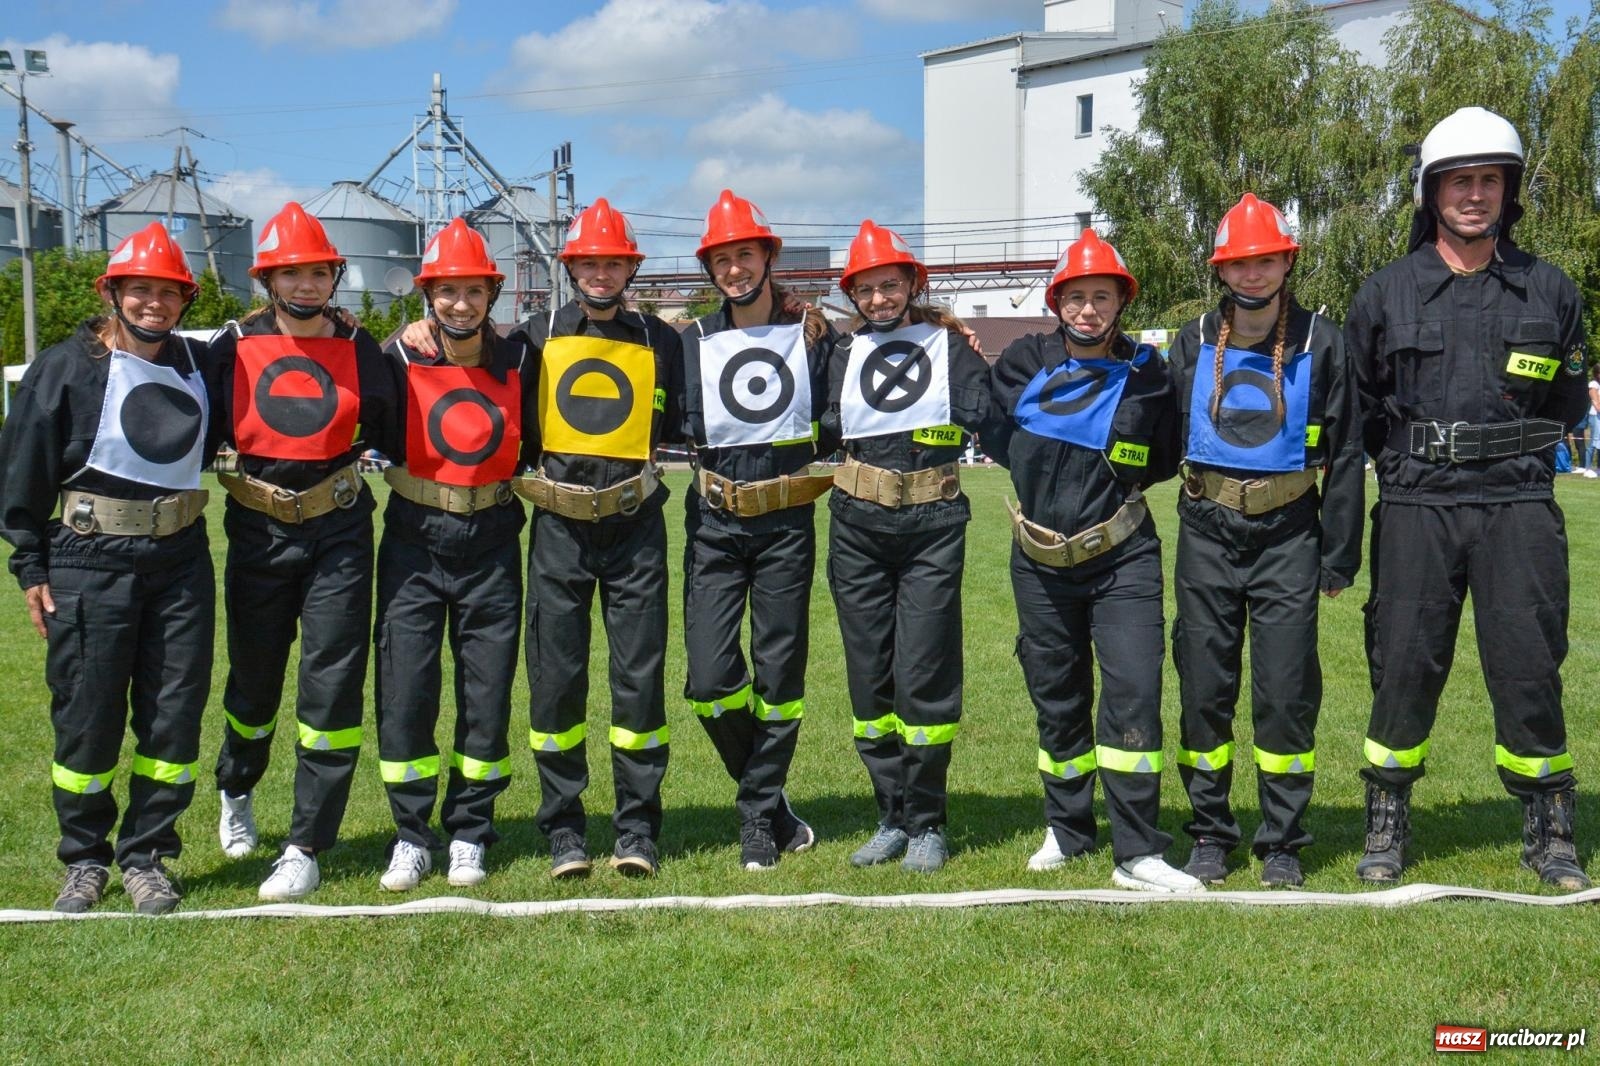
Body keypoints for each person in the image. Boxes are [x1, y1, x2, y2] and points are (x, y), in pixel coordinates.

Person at [1347, 106, 1590, 889]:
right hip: (1418, 505)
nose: (1475, 195)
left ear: (1508, 192)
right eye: (1460, 181)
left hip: (1518, 504)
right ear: (1432, 193)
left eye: (1490, 181)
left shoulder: (1550, 290)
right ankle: (1386, 819)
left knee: (1528, 663)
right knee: (1404, 664)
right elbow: (1360, 406)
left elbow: (1568, 409)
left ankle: (1548, 825)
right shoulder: (1385, 293)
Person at [409, 198, 685, 877]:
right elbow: (461, 353)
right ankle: (563, 827)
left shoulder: (663, 341)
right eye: (588, 262)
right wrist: (417, 330)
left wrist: (816, 325)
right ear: (571, 268)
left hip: (636, 525)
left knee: (638, 684)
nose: (600, 272)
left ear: (629, 268)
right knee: (556, 683)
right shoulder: (530, 337)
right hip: (559, 527)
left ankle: (637, 829)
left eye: (612, 262)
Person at [0, 223, 215, 914]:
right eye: (140, 289)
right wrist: (30, 566)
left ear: (185, 300)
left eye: (168, 292)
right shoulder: (65, 367)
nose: (154, 302)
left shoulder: (198, 362)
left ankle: (147, 855)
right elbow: (22, 471)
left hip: (181, 559)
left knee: (173, 718)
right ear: (113, 292)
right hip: (88, 560)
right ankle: (85, 860)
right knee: (87, 717)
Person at [988, 230, 1201, 892]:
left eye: (1101, 297)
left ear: (1120, 301)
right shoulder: (1023, 360)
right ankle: (1070, 829)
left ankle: (1138, 849)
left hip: (1123, 559)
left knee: (1134, 691)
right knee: (1056, 696)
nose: (1088, 310)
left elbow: (1163, 457)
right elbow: (997, 435)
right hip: (1040, 561)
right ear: (1057, 302)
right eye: (1076, 297)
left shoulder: (1148, 372)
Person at [207, 202, 404, 901]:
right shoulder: (229, 347)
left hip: (340, 534)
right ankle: (237, 787)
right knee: (254, 686)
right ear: (269, 279)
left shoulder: (362, 349)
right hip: (257, 535)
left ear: (334, 276)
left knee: (331, 686)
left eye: (318, 272)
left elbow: (395, 426)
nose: (307, 284)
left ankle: (306, 845)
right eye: (292, 272)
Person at [1166, 194, 1363, 888]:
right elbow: (1156, 427)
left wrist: (1339, 553)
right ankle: (1211, 834)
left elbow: (1345, 450)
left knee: (1284, 692)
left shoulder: (1324, 340)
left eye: (1266, 260)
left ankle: (1281, 839)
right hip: (1207, 531)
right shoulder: (1191, 338)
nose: (1254, 274)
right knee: (1203, 687)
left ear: (1287, 260)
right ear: (1223, 270)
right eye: (1240, 263)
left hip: (1288, 535)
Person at [821, 220, 993, 873]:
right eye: (867, 289)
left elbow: (991, 412)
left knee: (925, 674)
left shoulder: (949, 348)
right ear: (855, 295)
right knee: (870, 677)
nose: (879, 299)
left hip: (930, 525)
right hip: (857, 525)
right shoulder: (840, 352)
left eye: (890, 286)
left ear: (911, 285)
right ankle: (890, 815)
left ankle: (927, 821)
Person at [678, 191, 833, 869]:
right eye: (722, 259)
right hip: (714, 522)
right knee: (711, 681)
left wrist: (947, 325)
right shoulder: (691, 341)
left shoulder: (816, 337)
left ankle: (755, 819)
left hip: (786, 523)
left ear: (768, 257)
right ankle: (770, 804)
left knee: (779, 675)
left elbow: (890, 348)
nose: (734, 269)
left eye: (745, 254)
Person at [372, 219, 528, 891]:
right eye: (446, 292)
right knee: (406, 693)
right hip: (413, 540)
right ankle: (412, 834)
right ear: (426, 294)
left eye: (472, 291)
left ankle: (470, 830)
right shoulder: (393, 357)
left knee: (486, 696)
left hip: (492, 542)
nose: (459, 304)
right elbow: (317, 349)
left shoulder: (521, 358)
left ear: (491, 294)